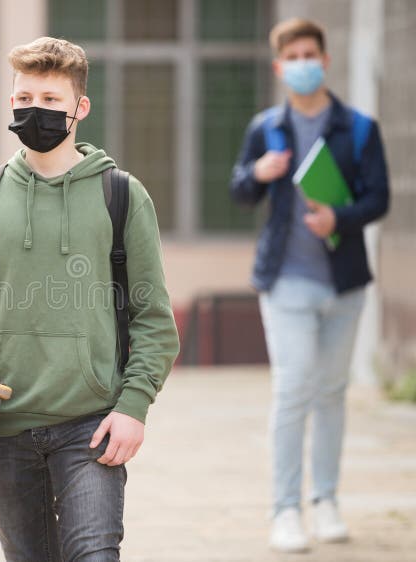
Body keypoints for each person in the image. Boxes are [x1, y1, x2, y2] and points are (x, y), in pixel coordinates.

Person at [0, 37, 179, 561]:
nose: (33, 110)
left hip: (91, 423)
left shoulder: (122, 195)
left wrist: (134, 407)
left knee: (95, 554)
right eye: (23, 98)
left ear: (80, 108)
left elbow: (154, 318)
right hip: (3, 423)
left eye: (49, 99)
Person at [230, 18, 389, 553]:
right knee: (294, 389)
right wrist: (261, 173)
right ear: (280, 67)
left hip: (345, 284)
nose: (302, 63)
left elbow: (379, 199)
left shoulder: (359, 128)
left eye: (309, 54)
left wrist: (338, 219)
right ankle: (285, 510)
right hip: (287, 282)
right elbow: (239, 190)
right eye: (291, 56)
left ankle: (325, 501)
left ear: (323, 58)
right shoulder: (265, 128)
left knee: (332, 394)